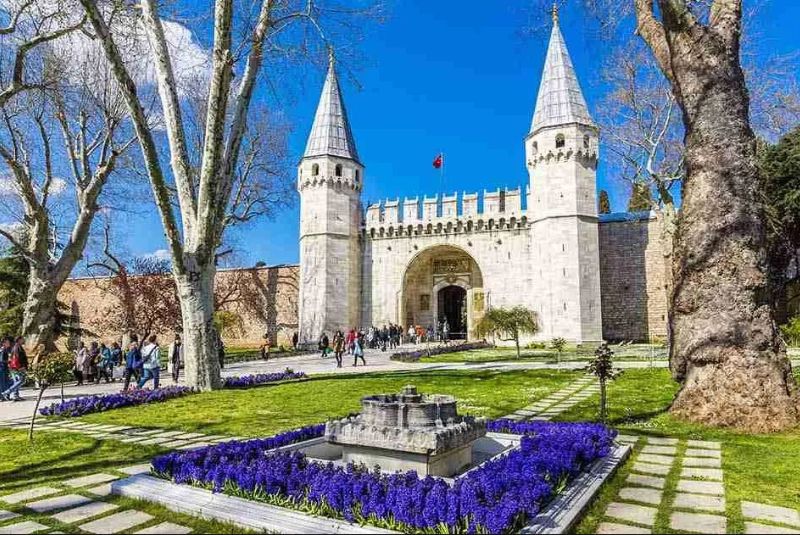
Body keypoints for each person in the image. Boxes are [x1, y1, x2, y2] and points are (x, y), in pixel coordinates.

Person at [1, 337, 28, 401]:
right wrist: (22, 366)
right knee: (21, 380)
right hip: (16, 367)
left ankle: (12, 395)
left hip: (12, 368)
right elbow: (18, 358)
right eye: (22, 339)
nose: (24, 340)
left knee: (16, 381)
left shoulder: (13, 347)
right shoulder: (17, 347)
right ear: (19, 340)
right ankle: (7, 393)